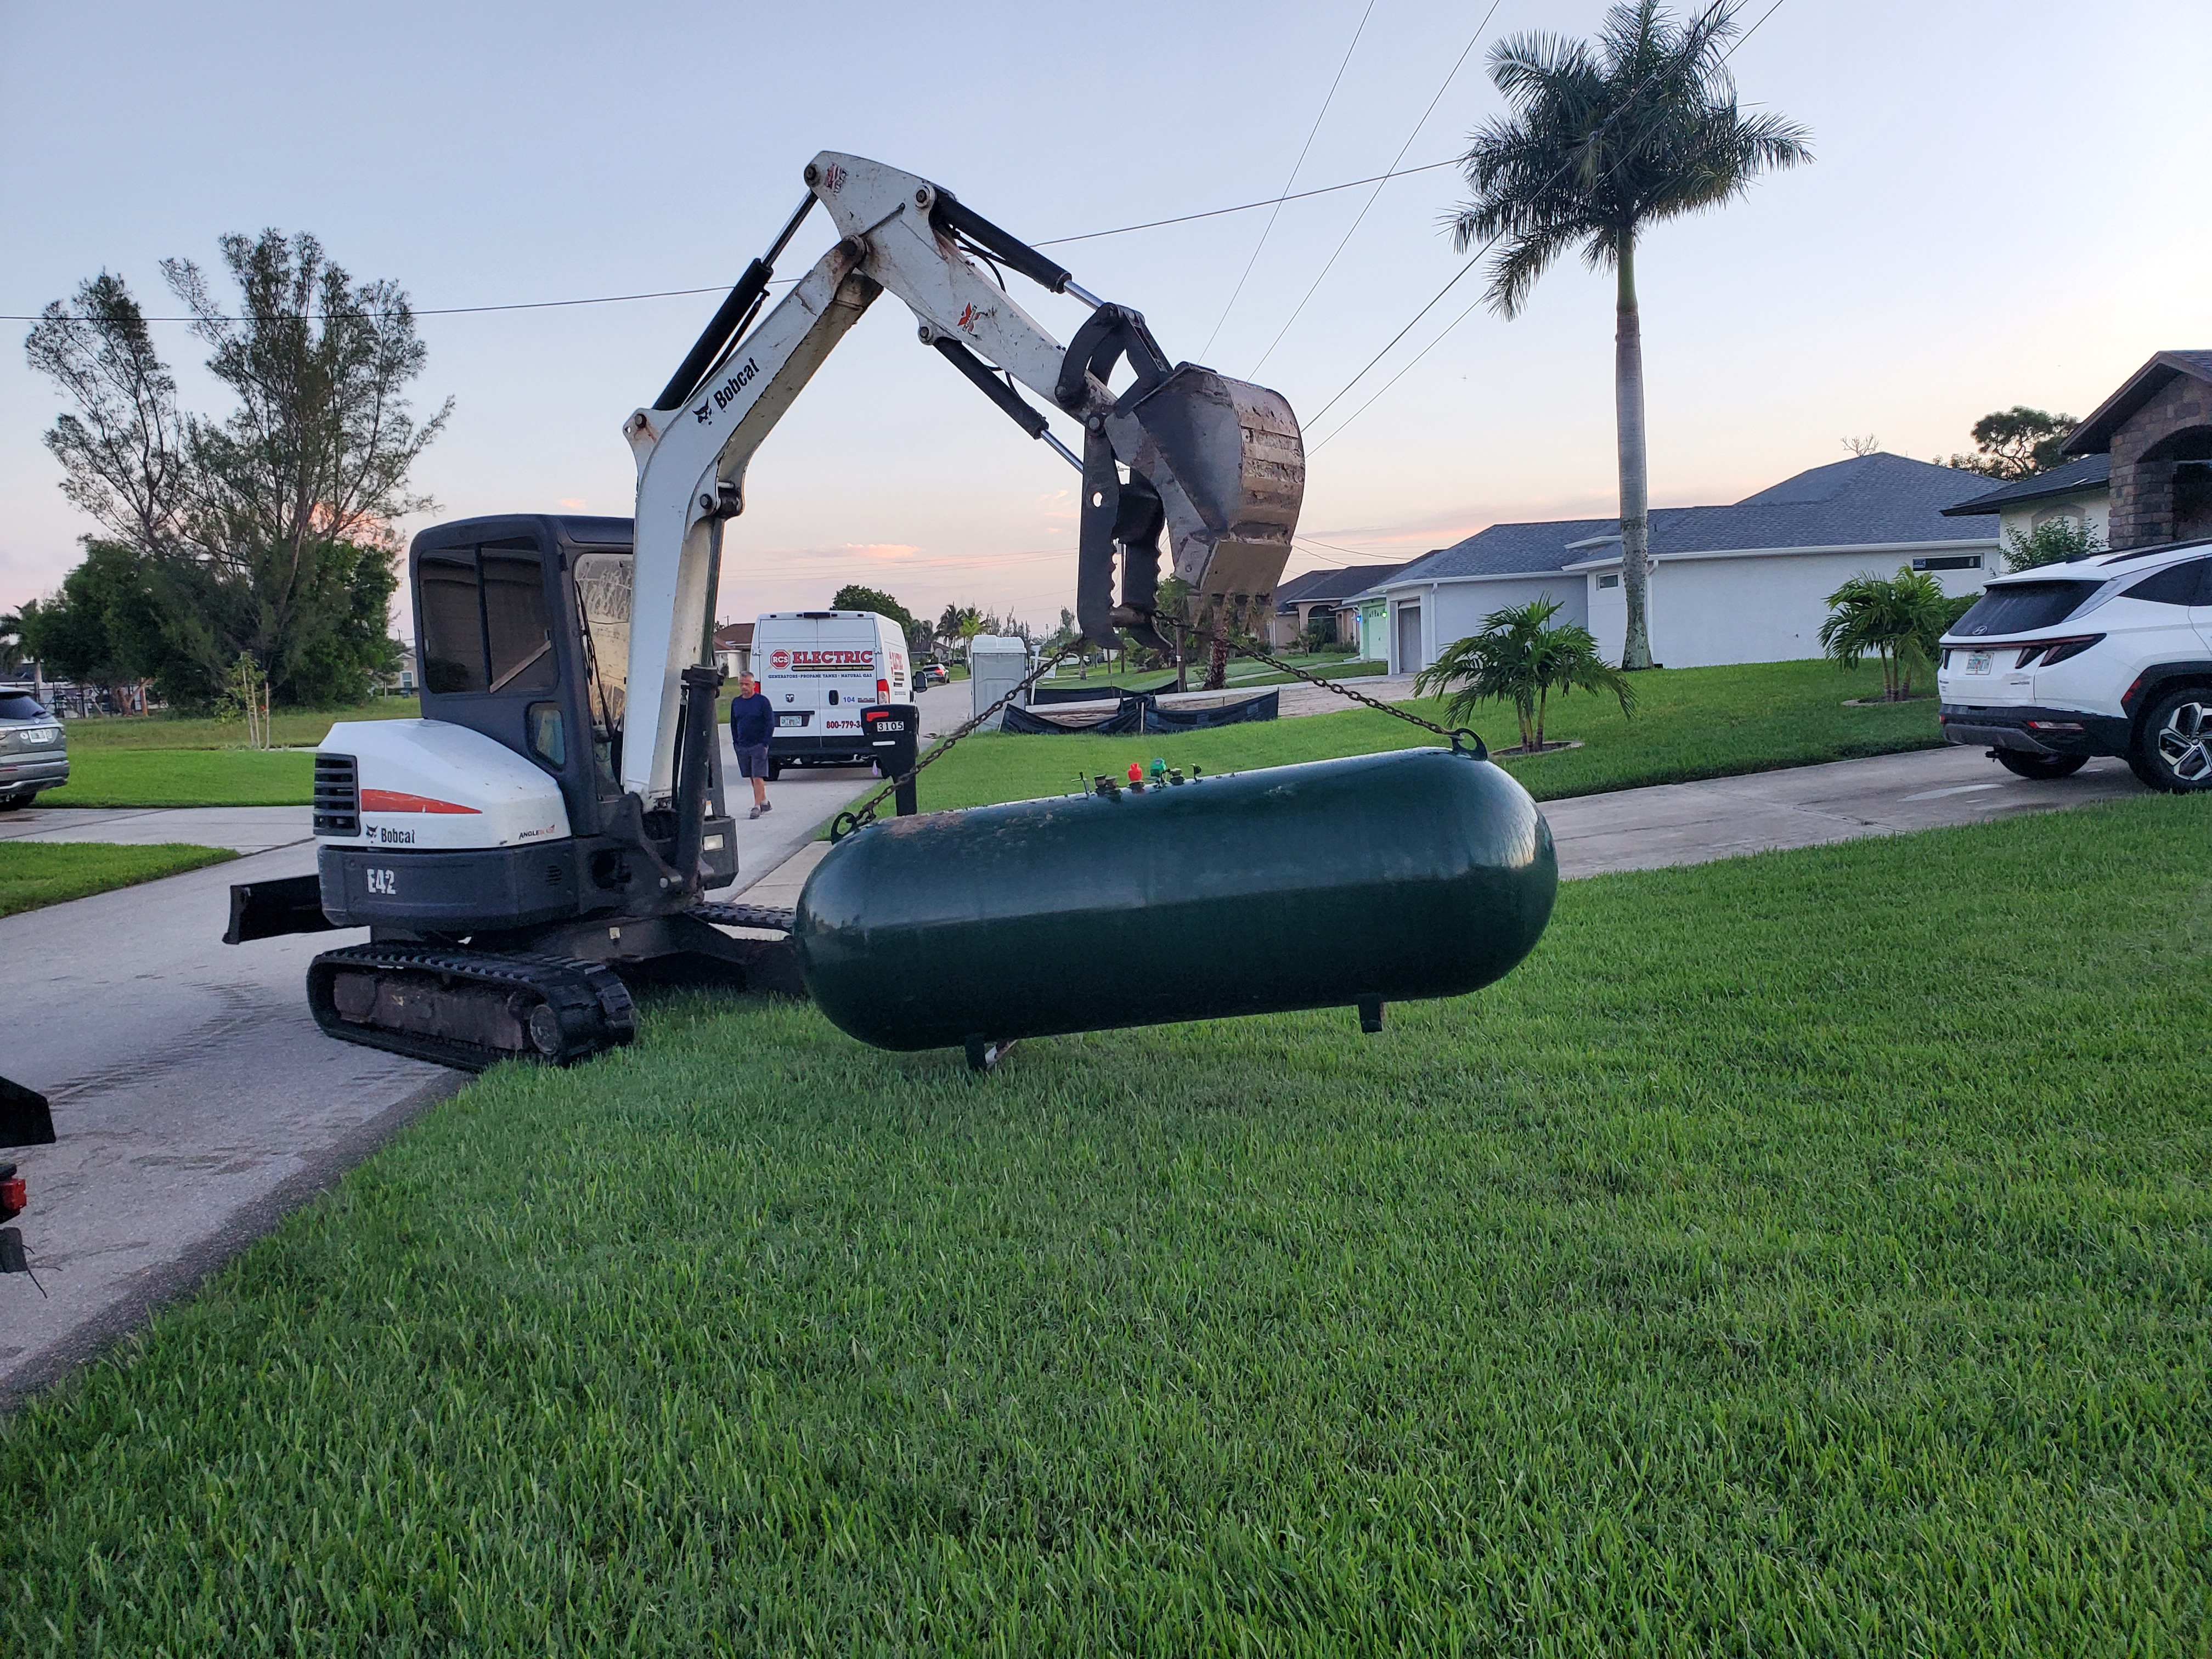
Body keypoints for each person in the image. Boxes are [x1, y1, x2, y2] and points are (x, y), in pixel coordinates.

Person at [728, 673, 774, 819]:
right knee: (750, 776)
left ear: (754, 685)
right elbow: (734, 724)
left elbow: (770, 722)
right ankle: (764, 801)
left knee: (758, 776)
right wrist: (736, 742)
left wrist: (765, 743)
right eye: (742, 684)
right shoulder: (736, 703)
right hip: (742, 745)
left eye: (747, 684)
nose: (744, 687)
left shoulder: (762, 702)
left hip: (758, 745)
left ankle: (756, 807)